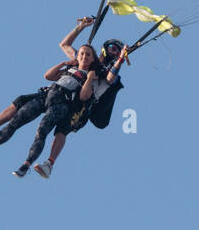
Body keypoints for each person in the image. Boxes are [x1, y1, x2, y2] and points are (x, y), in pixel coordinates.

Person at [0, 16, 95, 164]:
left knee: (43, 129)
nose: (83, 56)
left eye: (87, 55)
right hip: (48, 94)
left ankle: (33, 163)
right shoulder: (73, 62)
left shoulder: (94, 72)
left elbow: (102, 81)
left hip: (62, 102)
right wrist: (81, 27)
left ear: (93, 59)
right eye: (82, 53)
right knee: (19, 107)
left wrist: (117, 60)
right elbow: (63, 46)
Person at [31, 39, 127, 179]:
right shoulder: (86, 58)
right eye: (113, 48)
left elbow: (110, 79)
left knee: (63, 130)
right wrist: (81, 27)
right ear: (105, 48)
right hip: (67, 97)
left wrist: (121, 59)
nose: (114, 52)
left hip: (83, 106)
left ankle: (49, 164)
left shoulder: (109, 72)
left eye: (117, 50)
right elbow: (64, 45)